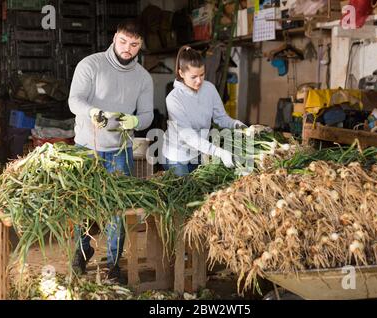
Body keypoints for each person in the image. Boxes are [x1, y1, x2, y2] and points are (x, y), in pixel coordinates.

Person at [68, 20, 154, 280]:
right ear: (115, 37)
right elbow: (74, 101)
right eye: (123, 42)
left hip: (120, 150)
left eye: (134, 44)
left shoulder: (143, 77)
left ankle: (114, 262)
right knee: (82, 205)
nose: (128, 49)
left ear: (140, 46)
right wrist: (92, 111)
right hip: (87, 147)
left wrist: (137, 121)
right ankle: (82, 253)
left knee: (117, 210)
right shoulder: (90, 65)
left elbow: (148, 114)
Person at [162, 46, 246, 176]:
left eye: (202, 75)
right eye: (194, 77)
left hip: (199, 152)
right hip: (177, 156)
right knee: (184, 192)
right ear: (181, 73)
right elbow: (188, 136)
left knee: (200, 191)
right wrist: (218, 152)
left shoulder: (209, 89)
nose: (199, 81)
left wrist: (236, 124)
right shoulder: (173, 99)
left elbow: (221, 117)